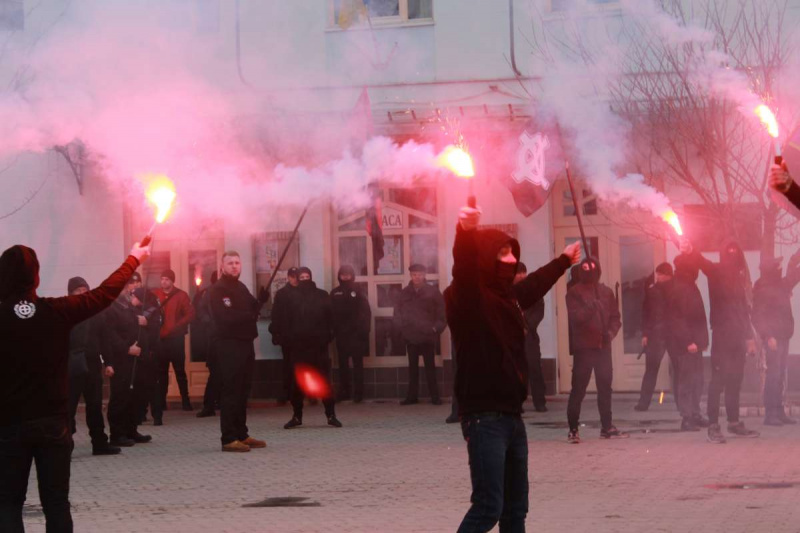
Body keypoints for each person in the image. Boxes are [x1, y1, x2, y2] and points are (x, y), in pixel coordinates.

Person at [445, 205, 580, 532]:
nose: (508, 259)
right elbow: (463, 269)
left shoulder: (508, 297)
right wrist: (465, 232)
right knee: (488, 507)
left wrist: (563, 261)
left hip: (511, 418)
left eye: (510, 252)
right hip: (483, 418)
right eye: (501, 252)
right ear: (485, 257)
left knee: (515, 509)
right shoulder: (468, 298)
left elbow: (534, 284)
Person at [0, 242, 149, 532]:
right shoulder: (56, 310)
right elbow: (104, 294)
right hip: (52, 425)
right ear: (36, 277)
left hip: (8, 426)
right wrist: (134, 258)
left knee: (7, 504)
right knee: (56, 504)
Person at [679, 240, 759, 443]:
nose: (733, 257)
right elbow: (702, 262)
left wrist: (749, 338)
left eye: (735, 253)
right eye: (729, 253)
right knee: (718, 381)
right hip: (722, 336)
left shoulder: (739, 280)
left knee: (735, 380)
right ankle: (713, 426)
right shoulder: (715, 272)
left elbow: (743, 311)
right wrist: (691, 249)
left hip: (738, 337)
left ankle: (733, 422)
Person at [209, 251, 266, 452]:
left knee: (243, 390)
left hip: (245, 343)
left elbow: (252, 308)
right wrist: (248, 314)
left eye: (237, 262)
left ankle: (242, 434)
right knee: (231, 390)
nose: (234, 266)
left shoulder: (240, 287)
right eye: (230, 263)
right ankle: (228, 438)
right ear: (222, 266)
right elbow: (226, 317)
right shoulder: (218, 289)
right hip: (229, 345)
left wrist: (261, 300)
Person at [565, 257, 625, 443]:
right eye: (585, 268)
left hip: (603, 347)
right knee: (578, 389)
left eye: (591, 268)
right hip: (584, 348)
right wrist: (592, 307)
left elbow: (615, 317)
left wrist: (610, 332)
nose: (588, 271)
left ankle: (607, 426)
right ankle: (573, 428)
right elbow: (576, 318)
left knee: (605, 387)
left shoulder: (606, 292)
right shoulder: (573, 293)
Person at [66, 277, 119, 456]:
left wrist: (109, 362)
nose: (82, 293)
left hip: (93, 364)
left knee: (95, 406)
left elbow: (105, 339)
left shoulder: (97, 312)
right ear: (71, 293)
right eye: (78, 290)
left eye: (84, 289)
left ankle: (99, 443)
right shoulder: (65, 312)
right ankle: (65, 443)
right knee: (68, 407)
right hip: (71, 365)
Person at [283, 267, 342, 429]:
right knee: (297, 382)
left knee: (324, 380)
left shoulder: (322, 295)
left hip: (318, 346)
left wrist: (328, 336)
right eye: (301, 277)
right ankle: (297, 416)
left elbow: (331, 318)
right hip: (298, 347)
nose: (305, 279)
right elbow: (285, 320)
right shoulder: (291, 297)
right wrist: (289, 339)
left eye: (307, 276)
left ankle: (331, 415)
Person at [104, 284, 157, 447]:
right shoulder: (110, 309)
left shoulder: (129, 307)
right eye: (123, 287)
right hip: (122, 360)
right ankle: (117, 434)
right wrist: (127, 348)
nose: (127, 290)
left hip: (137, 360)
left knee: (135, 397)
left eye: (127, 287)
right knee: (120, 397)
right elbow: (110, 335)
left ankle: (131, 430)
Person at [752, 254, 800, 426]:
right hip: (773, 337)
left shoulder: (780, 284)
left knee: (779, 374)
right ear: (771, 268)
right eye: (777, 266)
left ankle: (778, 411)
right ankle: (770, 413)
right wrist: (768, 336)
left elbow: (795, 275)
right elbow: (757, 315)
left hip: (783, 335)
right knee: (773, 375)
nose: (780, 268)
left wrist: (797, 258)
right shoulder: (762, 287)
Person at [668, 255, 710, 431]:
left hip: (695, 343)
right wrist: (688, 341)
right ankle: (686, 417)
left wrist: (701, 341)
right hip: (686, 345)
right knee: (686, 381)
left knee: (697, 380)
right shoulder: (680, 287)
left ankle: (694, 413)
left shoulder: (689, 286)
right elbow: (678, 319)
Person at [395, 264, 446, 405]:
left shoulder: (433, 292)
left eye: (419, 274)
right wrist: (403, 329)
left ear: (424, 275)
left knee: (430, 367)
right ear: (410, 275)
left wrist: (435, 329)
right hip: (411, 336)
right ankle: (412, 397)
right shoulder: (404, 293)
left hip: (427, 336)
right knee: (412, 369)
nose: (417, 277)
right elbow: (397, 312)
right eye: (414, 274)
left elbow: (442, 313)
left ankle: (435, 397)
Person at [152, 269, 195, 424]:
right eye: (162, 279)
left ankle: (186, 401)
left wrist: (178, 326)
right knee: (161, 373)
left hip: (176, 339)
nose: (164, 282)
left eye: (167, 279)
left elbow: (190, 314)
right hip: (161, 340)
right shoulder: (156, 294)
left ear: (172, 281)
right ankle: (161, 403)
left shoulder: (181, 295)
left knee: (180, 372)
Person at [635, 262, 676, 412]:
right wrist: (645, 333)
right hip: (656, 335)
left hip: (671, 334)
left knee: (677, 370)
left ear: (668, 275)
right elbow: (646, 313)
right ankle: (643, 403)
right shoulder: (652, 292)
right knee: (651, 370)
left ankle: (682, 404)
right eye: (657, 274)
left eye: (661, 274)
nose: (657, 277)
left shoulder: (677, 290)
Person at [331, 265, 371, 403]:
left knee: (357, 364)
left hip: (356, 334)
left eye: (348, 274)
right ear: (339, 276)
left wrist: (364, 331)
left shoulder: (359, 291)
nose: (345, 277)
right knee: (343, 364)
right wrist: (334, 330)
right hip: (341, 334)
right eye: (343, 274)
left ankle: (358, 393)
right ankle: (344, 391)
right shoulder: (335, 292)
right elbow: (330, 314)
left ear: (352, 275)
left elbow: (366, 312)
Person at [514, 263, 548, 412]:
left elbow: (539, 311)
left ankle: (539, 402)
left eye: (524, 272)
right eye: (518, 273)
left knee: (534, 368)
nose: (522, 275)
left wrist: (527, 327)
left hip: (530, 336)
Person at [269, 267, 299, 405]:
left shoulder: (303, 292)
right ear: (288, 277)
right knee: (288, 365)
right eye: (292, 276)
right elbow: (276, 315)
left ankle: (299, 393)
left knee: (301, 365)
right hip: (287, 336)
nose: (295, 279)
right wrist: (276, 333)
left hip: (301, 336)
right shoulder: (281, 294)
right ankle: (287, 392)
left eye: (296, 276)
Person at [196, 271, 222, 418]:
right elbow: (200, 310)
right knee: (215, 374)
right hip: (214, 339)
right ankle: (209, 406)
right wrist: (210, 323)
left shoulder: (234, 290)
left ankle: (221, 403)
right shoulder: (209, 292)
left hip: (229, 339)